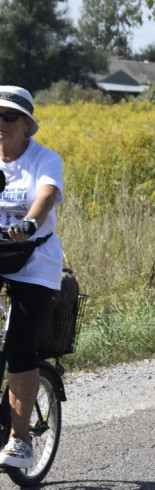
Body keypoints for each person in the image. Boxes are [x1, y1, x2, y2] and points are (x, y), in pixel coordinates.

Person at [0, 87, 65, 470]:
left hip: (34, 260)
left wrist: (28, 222)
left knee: (20, 347)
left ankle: (21, 440)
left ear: (27, 123)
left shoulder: (44, 158)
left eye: (10, 117)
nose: (2, 124)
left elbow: (46, 196)